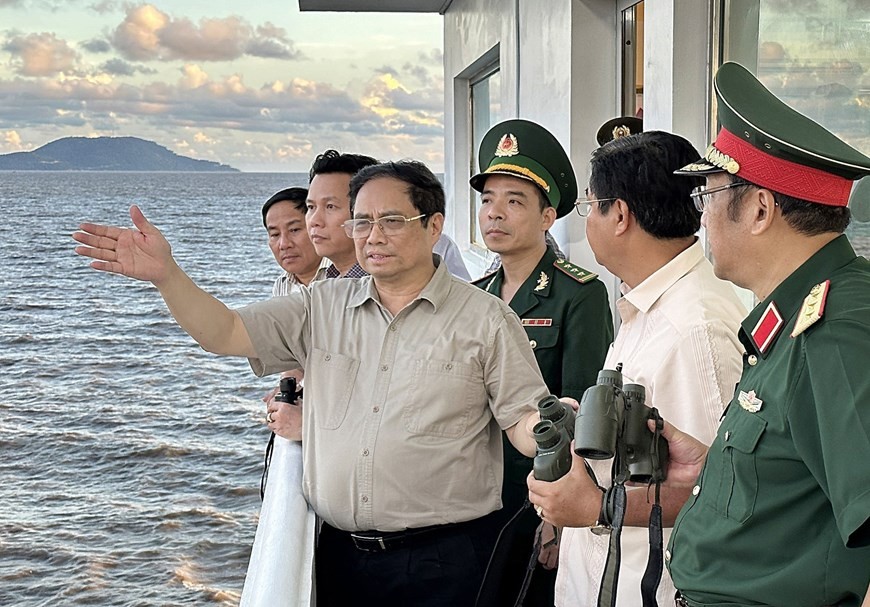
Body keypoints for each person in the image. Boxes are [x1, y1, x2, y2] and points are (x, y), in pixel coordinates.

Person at [73, 159, 551, 607]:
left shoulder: (486, 318)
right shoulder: (319, 306)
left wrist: (551, 427)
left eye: (391, 220)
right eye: (361, 222)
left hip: (448, 560)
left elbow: (521, 418)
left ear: (433, 226)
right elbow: (225, 332)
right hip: (342, 555)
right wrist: (168, 277)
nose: (373, 236)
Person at [663, 61, 870, 607]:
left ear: (758, 208)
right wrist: (712, 466)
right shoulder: (798, 313)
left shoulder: (835, 329)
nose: (702, 218)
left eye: (706, 196)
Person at [527, 129, 747, 606]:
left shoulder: (694, 326)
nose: (588, 221)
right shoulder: (649, 303)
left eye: (590, 206)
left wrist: (593, 506)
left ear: (620, 214)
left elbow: (723, 495)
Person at [470, 118, 613, 607]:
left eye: (514, 201)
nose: (495, 214)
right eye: (488, 200)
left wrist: (554, 520)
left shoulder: (579, 295)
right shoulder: (473, 298)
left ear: (548, 216)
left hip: (534, 501)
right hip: (472, 499)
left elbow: (584, 417)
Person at [242, 185, 323, 607]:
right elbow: (294, 359)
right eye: (273, 234)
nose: (284, 243)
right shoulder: (285, 285)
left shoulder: (345, 282)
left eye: (294, 229)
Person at [305, 149, 378, 278]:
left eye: (330, 206)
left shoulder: (384, 286)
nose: (314, 221)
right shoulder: (327, 280)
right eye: (311, 207)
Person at [262, 186, 328, 297]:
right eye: (275, 235)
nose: (284, 244)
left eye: (294, 230)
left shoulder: (345, 275)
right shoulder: (282, 284)